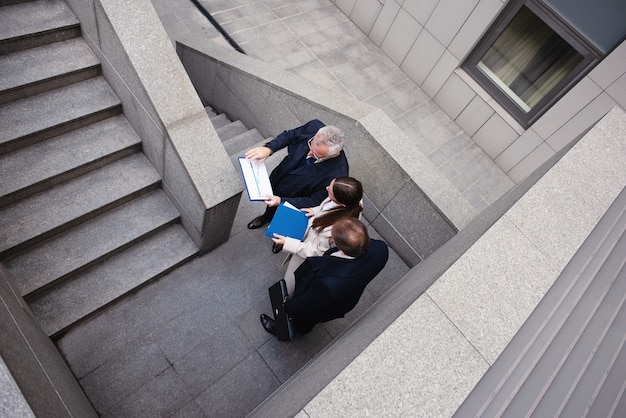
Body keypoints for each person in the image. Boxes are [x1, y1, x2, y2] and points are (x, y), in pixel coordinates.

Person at [260, 218, 389, 337]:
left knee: (305, 319)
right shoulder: (381, 249)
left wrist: (288, 306)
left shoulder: (329, 284)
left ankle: (288, 330)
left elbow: (306, 303)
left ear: (341, 248)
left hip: (328, 299)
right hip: (347, 297)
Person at [244, 119, 348, 231]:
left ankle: (282, 233)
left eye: (316, 155)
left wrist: (281, 201)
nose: (309, 153)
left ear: (334, 155)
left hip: (296, 198)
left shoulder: (338, 174)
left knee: (286, 221)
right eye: (310, 145)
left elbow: (314, 200)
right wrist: (269, 148)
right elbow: (290, 136)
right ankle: (266, 217)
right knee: (271, 205)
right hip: (281, 176)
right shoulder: (314, 127)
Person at [272, 176, 363, 294]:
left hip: (305, 251)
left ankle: (286, 299)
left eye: (330, 192)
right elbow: (327, 207)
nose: (327, 188)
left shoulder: (334, 229)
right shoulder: (354, 198)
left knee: (292, 278)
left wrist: (288, 244)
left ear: (341, 203)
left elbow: (318, 251)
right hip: (311, 235)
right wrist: (315, 210)